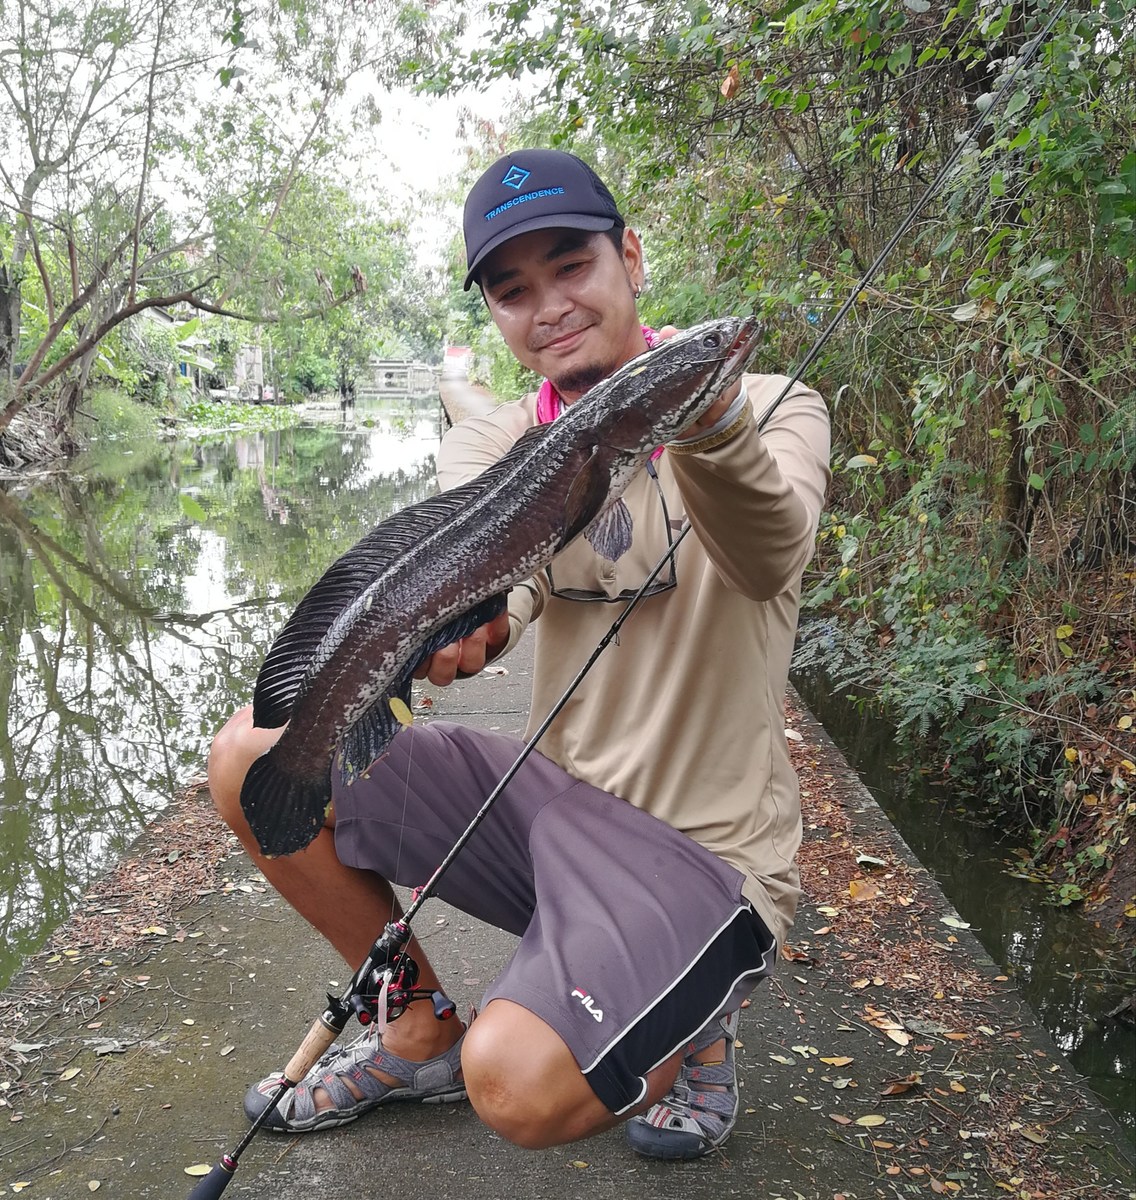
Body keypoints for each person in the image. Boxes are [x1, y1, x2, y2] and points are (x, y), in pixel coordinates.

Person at [208, 148, 831, 1160]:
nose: (547, 305)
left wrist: (705, 413)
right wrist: (464, 632)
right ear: (495, 315)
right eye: (512, 289)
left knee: (518, 1082)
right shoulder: (499, 442)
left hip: (706, 856)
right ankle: (411, 1026)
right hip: (554, 812)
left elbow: (769, 559)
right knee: (258, 754)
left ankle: (700, 1013)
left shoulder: (769, 407)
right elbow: (495, 599)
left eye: (570, 266)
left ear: (629, 257)